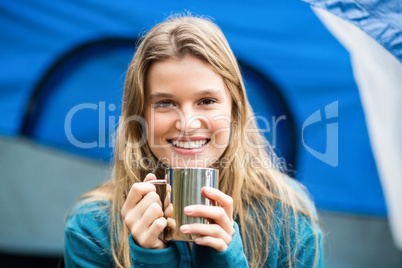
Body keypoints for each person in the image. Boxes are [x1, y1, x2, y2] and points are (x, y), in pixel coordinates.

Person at [64, 14, 323, 268]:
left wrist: (228, 262)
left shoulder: (289, 215)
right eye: (165, 103)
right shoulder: (91, 227)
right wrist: (151, 259)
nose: (187, 123)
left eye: (207, 101)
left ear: (234, 109)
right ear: (138, 115)